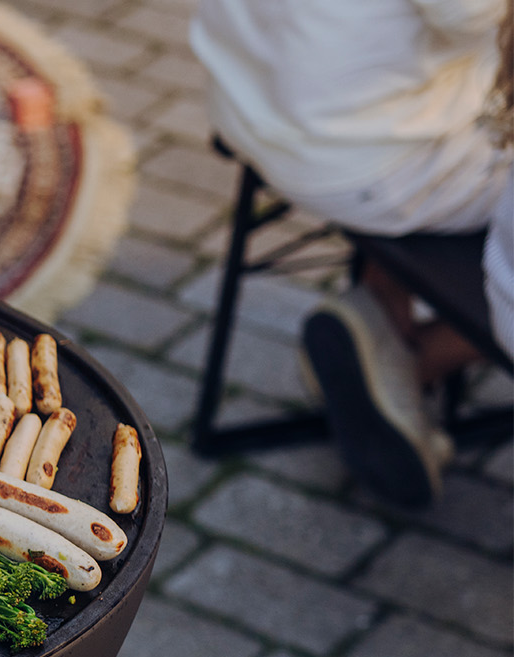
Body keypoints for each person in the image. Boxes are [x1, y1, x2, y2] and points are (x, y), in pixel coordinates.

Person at [192, 0, 511, 506]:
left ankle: (379, 317)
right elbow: (472, 15)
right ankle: (413, 359)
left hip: (251, 97)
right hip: (363, 156)